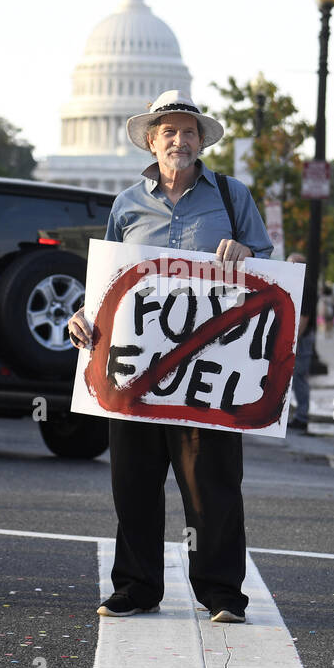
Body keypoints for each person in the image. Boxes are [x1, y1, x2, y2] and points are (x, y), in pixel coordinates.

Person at [68, 90, 273, 624]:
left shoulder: (231, 197)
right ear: (152, 142)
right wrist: (83, 316)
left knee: (213, 486)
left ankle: (222, 593)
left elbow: (271, 269)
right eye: (168, 132)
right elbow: (106, 284)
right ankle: (136, 588)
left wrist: (247, 253)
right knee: (133, 484)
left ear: (201, 141)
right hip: (136, 371)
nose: (178, 140)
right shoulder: (126, 205)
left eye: (188, 131)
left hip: (208, 374)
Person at [287, 251, 315, 434]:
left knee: (298, 377)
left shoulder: (304, 285)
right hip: (301, 337)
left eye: (290, 264)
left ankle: (302, 416)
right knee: (296, 377)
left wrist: (293, 340)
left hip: (302, 339)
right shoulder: (302, 283)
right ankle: (298, 415)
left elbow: (304, 317)